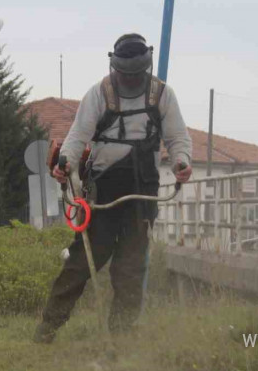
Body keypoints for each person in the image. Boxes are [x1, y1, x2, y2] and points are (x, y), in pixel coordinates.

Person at [34, 33, 193, 343]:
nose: (131, 80)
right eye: (125, 74)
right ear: (114, 67)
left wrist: (181, 163)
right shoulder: (99, 94)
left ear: (145, 69)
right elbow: (78, 136)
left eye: (136, 75)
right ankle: (47, 329)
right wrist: (64, 162)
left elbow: (177, 139)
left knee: (131, 269)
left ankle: (121, 336)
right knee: (80, 263)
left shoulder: (162, 95)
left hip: (142, 191)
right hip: (103, 191)